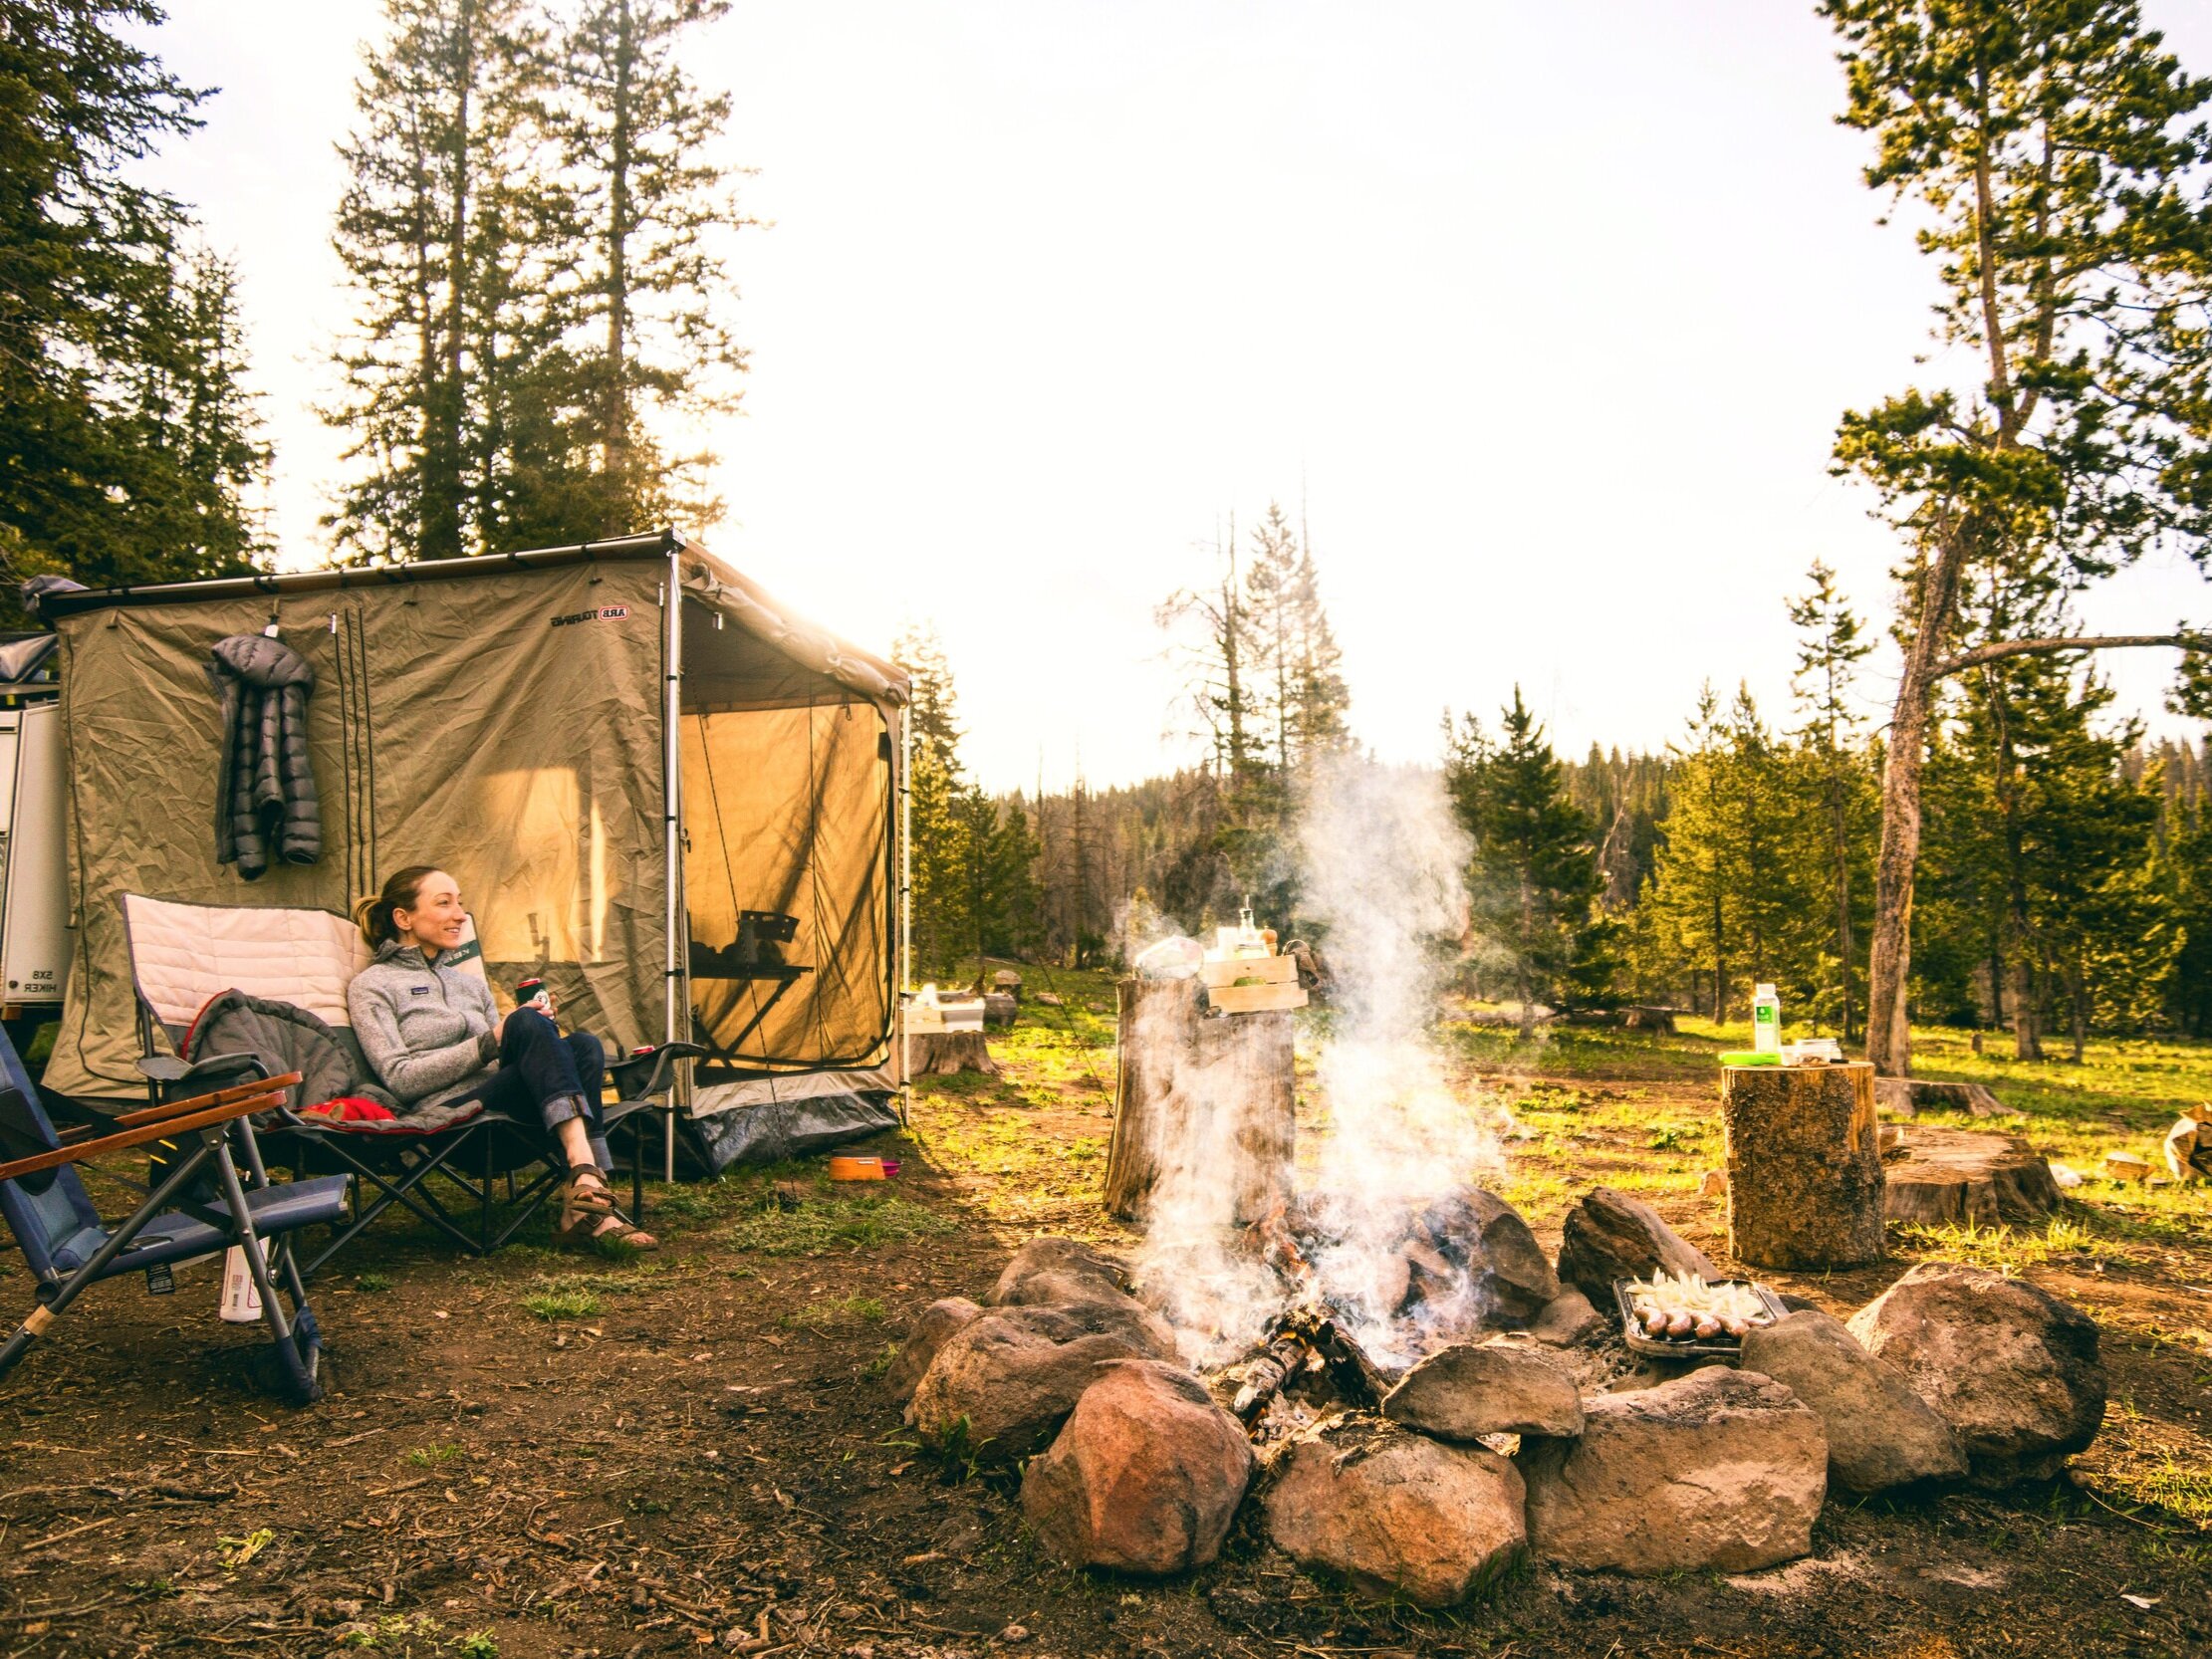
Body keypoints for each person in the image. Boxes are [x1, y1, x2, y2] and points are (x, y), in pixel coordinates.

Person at [348, 865, 655, 1251]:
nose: (460, 914)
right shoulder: (371, 986)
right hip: (451, 1122)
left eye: (460, 903)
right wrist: (492, 1040)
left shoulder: (470, 985)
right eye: (444, 903)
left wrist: (539, 1036)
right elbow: (399, 1078)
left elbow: (505, 1059)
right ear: (403, 917)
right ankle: (588, 1182)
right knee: (526, 1023)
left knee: (583, 1045)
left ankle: (584, 1192)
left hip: (511, 1117)